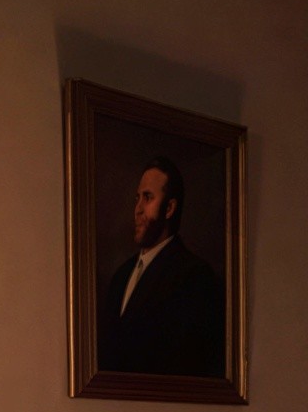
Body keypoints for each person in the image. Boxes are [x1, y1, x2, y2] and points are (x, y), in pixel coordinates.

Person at [97, 156, 226, 378]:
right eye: (137, 198)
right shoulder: (122, 275)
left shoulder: (193, 276)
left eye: (148, 198)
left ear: (169, 208)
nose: (137, 209)